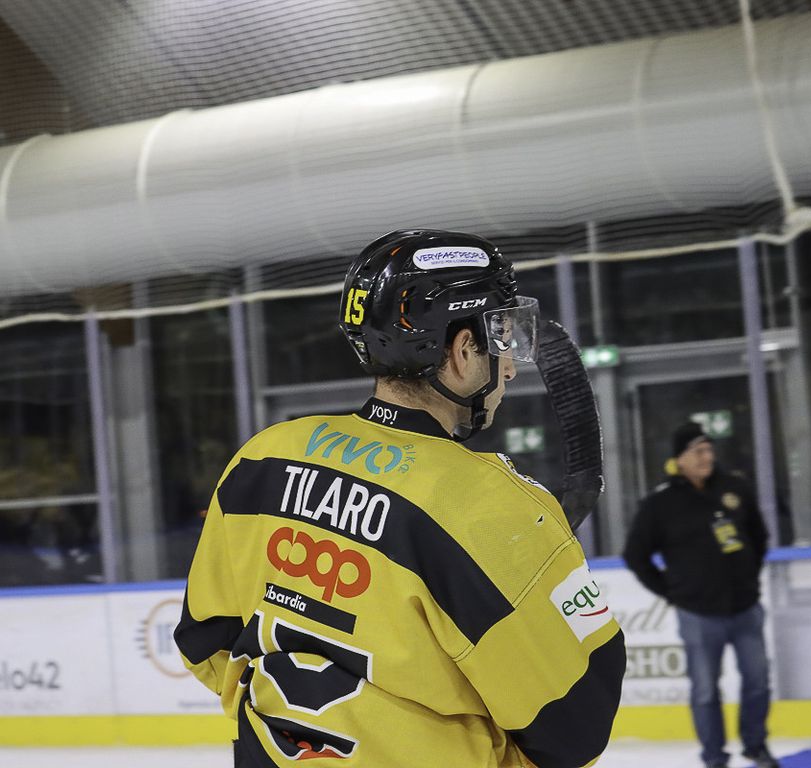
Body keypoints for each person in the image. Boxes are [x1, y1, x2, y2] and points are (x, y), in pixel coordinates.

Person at [174, 229, 626, 768]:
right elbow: (576, 723)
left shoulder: (265, 458)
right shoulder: (490, 508)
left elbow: (204, 638)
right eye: (499, 340)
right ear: (462, 351)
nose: (509, 366)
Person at [623, 422, 777, 768]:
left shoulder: (735, 487)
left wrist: (748, 577)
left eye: (709, 449)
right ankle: (714, 757)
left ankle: (756, 746)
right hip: (698, 613)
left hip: (745, 608)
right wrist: (672, 592)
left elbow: (759, 537)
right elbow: (635, 555)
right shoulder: (660, 503)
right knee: (705, 690)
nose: (707, 457)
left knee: (758, 681)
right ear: (680, 459)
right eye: (698, 451)